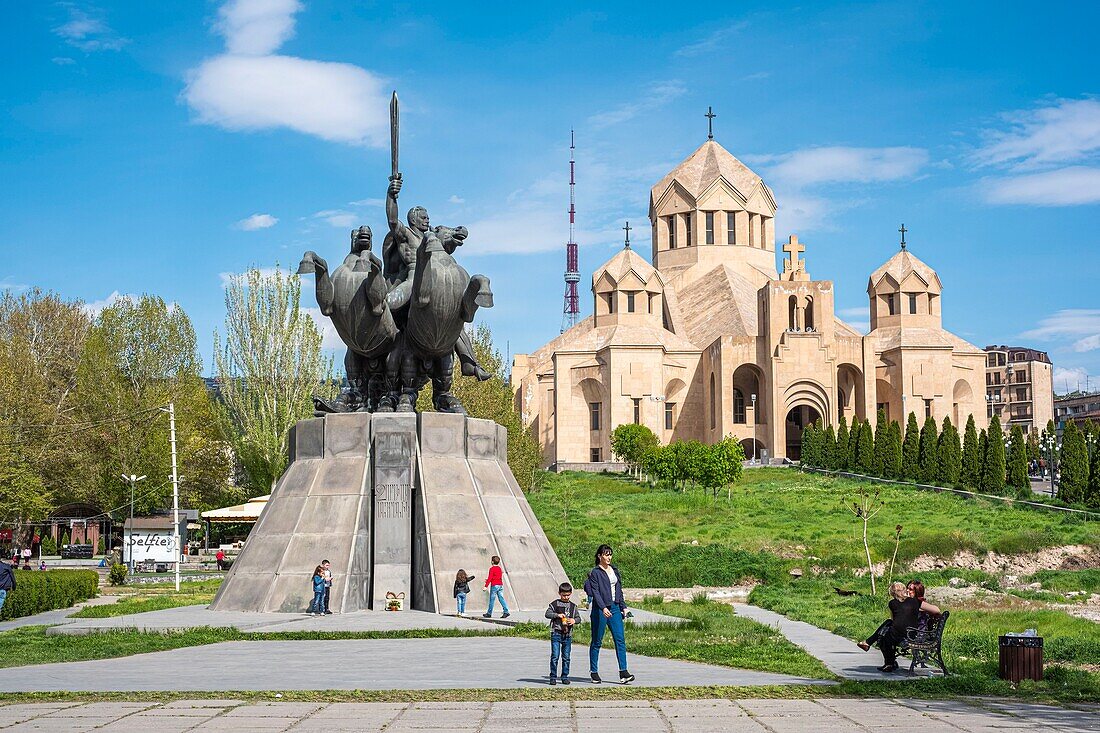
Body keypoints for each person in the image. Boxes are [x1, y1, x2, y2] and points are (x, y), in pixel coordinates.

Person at [583, 544, 634, 684]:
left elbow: (619, 590)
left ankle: (623, 672)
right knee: (597, 641)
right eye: (606, 554)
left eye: (610, 554)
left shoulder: (615, 571)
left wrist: (624, 607)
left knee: (620, 640)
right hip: (601, 610)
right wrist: (603, 607)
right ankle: (594, 672)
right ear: (600, 556)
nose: (609, 557)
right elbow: (595, 592)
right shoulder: (595, 573)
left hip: (615, 608)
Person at [870, 581, 941, 672]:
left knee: (885, 634)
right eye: (907, 588)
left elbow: (936, 610)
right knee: (886, 630)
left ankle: (889, 662)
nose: (907, 590)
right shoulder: (909, 603)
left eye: (911, 589)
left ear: (917, 591)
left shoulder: (916, 603)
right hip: (908, 633)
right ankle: (888, 662)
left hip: (917, 635)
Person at [545, 582, 581, 685]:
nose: (566, 597)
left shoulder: (573, 606)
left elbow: (578, 618)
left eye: (568, 595)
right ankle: (553, 676)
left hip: (567, 635)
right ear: (559, 593)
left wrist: (574, 620)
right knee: (555, 656)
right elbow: (547, 614)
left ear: (571, 593)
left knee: (566, 657)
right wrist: (557, 615)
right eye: (563, 595)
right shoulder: (555, 604)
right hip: (556, 633)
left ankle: (565, 676)